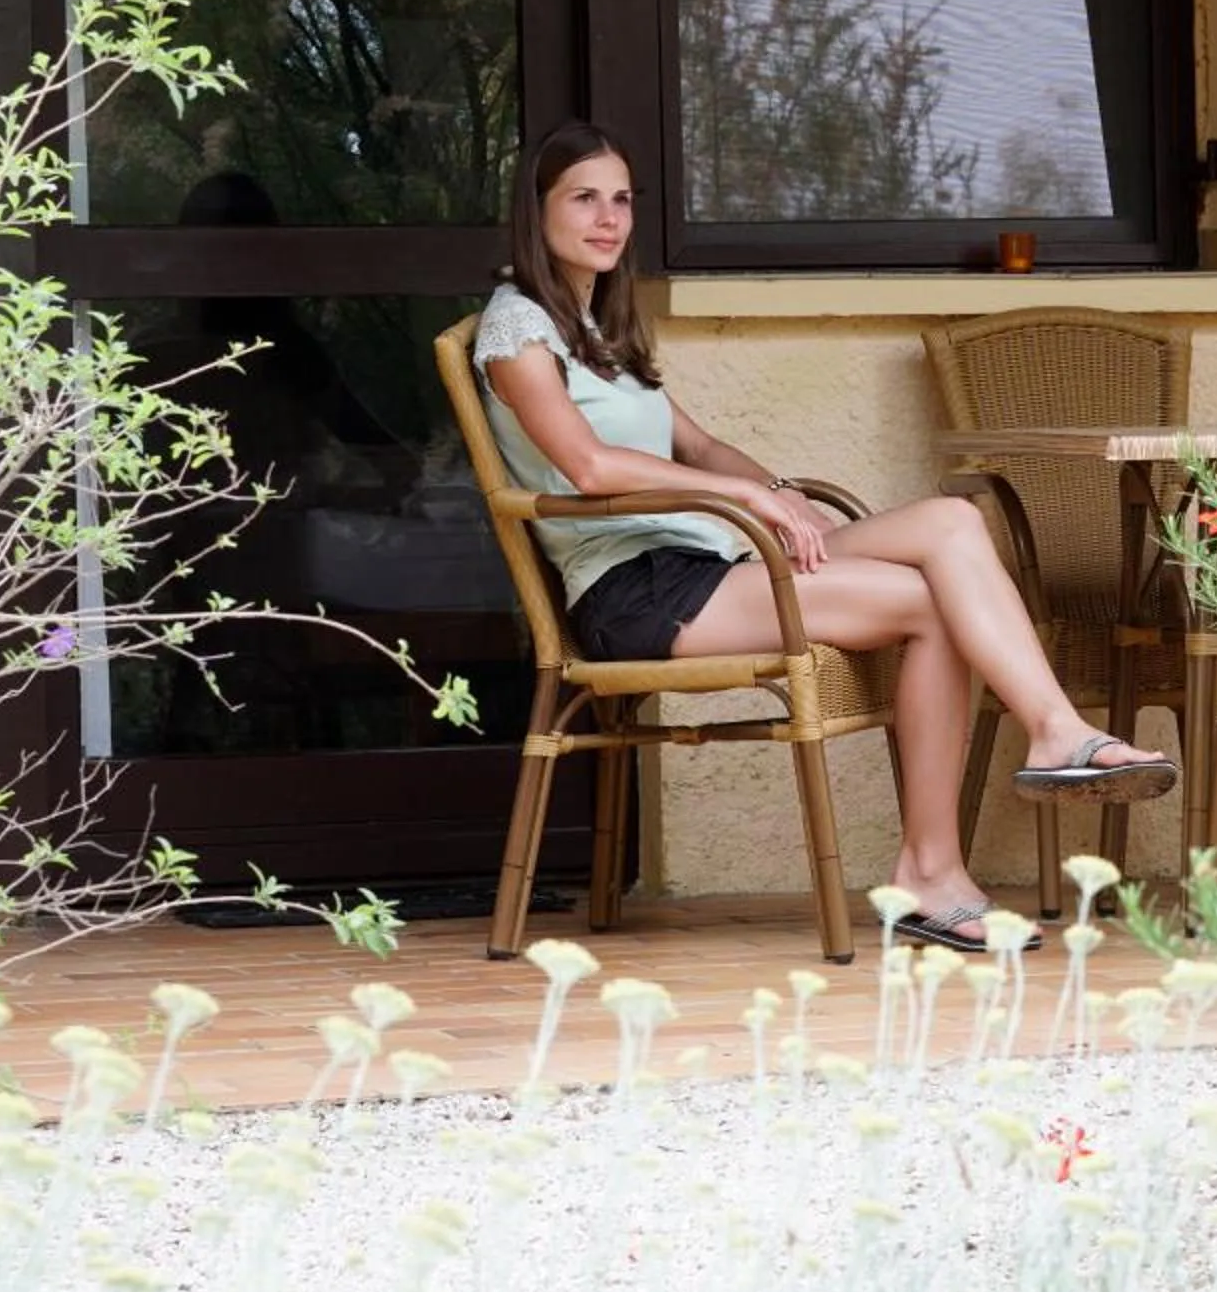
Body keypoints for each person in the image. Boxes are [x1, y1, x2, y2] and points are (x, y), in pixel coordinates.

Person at [473, 123, 1177, 951]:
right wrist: (742, 498)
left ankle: (1046, 738)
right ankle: (938, 862)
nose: (608, 218)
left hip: (710, 560)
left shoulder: (601, 331)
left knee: (951, 524)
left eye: (621, 199)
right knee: (932, 605)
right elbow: (587, 467)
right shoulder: (517, 328)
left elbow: (695, 446)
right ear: (538, 210)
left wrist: (775, 494)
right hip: (636, 591)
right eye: (584, 198)